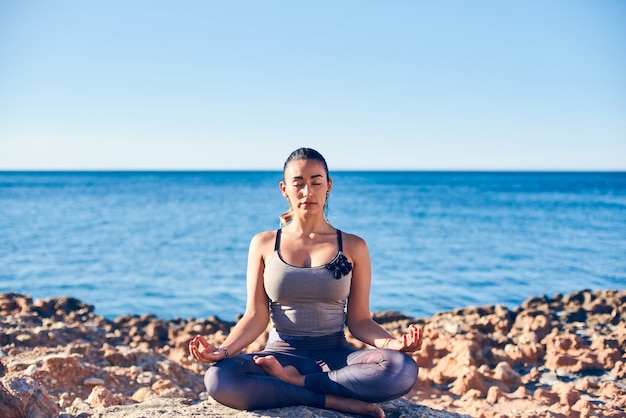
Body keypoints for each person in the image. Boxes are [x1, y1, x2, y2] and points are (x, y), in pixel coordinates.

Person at [189, 147, 423, 418]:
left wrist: (391, 344)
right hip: (280, 356)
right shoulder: (264, 244)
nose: (307, 192)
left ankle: (295, 383)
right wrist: (223, 350)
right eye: (298, 184)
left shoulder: (353, 245)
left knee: (400, 368)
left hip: (337, 357)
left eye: (316, 182)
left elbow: (359, 321)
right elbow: (255, 316)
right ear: (284, 189)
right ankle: (333, 400)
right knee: (219, 378)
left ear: (329, 186)